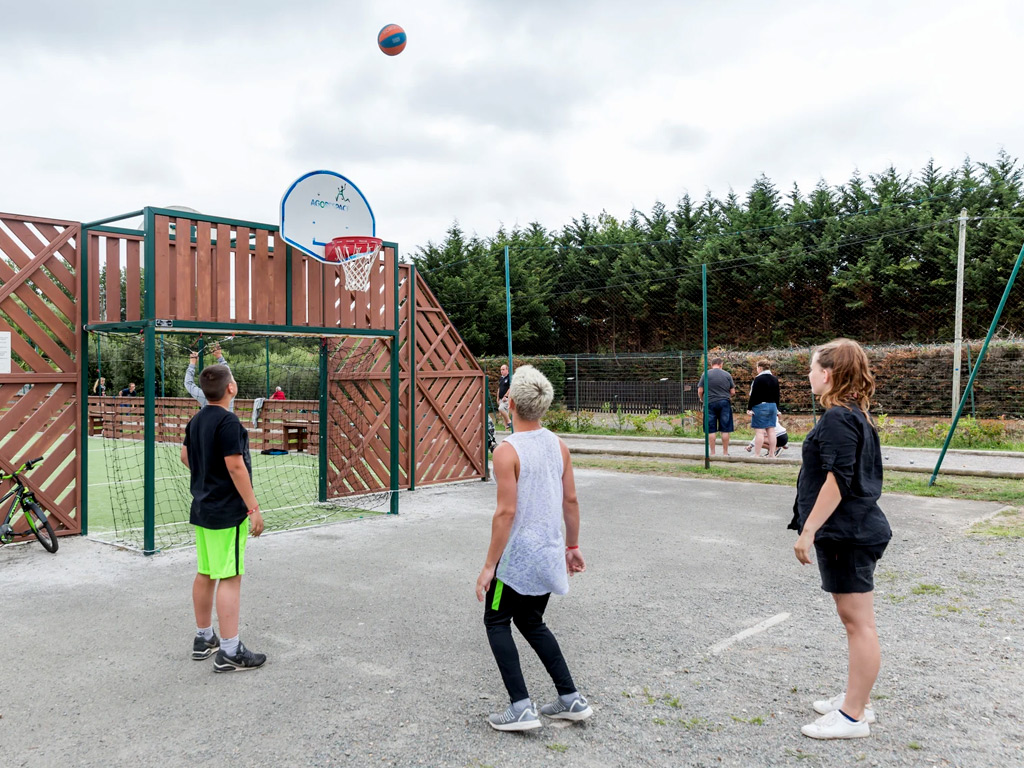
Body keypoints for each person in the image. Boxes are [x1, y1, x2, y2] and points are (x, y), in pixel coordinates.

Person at [475, 364, 591, 732]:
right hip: (548, 551)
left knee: (496, 620)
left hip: (516, 558)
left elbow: (505, 513)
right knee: (530, 620)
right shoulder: (558, 445)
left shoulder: (506, 451)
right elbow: (570, 501)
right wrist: (572, 545)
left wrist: (489, 566)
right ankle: (570, 698)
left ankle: (521, 707)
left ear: (509, 403)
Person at [790, 338, 891, 739]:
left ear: (828, 374)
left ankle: (852, 716)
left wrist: (808, 529)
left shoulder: (837, 418)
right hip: (855, 530)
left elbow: (837, 481)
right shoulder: (853, 415)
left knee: (858, 624)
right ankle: (857, 699)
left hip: (848, 533)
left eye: (813, 368)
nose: (809, 375)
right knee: (855, 621)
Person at [180, 363, 266, 673]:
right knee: (230, 576)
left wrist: (206, 476)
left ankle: (204, 638)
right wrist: (253, 507)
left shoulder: (197, 418)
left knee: (206, 572)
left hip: (202, 508)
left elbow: (185, 457)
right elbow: (235, 466)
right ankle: (230, 650)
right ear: (231, 388)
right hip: (226, 511)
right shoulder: (229, 422)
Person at [697, 358, 736, 455]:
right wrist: (725, 396)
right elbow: (732, 392)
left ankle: (713, 453)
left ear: (711, 365)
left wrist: (702, 399)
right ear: (721, 364)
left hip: (709, 402)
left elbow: (700, 390)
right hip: (724, 403)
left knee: (711, 429)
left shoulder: (705, 374)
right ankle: (725, 453)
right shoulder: (727, 374)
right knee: (725, 429)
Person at [746, 359, 780, 458]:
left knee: (759, 432)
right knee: (771, 431)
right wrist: (777, 408)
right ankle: (772, 454)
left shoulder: (758, 379)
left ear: (760, 368)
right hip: (773, 405)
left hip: (760, 406)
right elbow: (777, 395)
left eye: (757, 368)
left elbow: (754, 395)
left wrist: (749, 408)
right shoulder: (774, 379)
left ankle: (757, 454)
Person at [186, 343, 234, 411]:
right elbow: (228, 374)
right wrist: (220, 357)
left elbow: (188, 383)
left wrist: (192, 364)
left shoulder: (203, 395)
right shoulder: (229, 392)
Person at [496, 364, 511, 428]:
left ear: (507, 370)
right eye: (501, 370)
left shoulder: (509, 377)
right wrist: (497, 398)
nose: (501, 371)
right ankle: (506, 431)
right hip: (501, 398)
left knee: (501, 409)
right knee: (504, 415)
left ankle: (509, 422)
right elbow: (499, 388)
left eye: (503, 369)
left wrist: (506, 396)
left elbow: (511, 387)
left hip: (506, 398)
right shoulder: (501, 378)